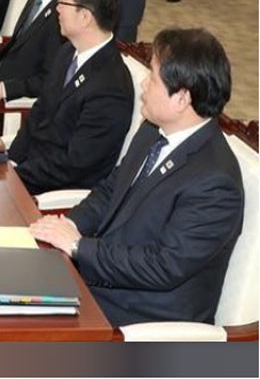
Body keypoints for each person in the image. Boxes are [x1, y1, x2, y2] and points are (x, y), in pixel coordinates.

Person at [30, 28, 243, 327]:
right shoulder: (153, 131)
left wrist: (80, 247)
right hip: (102, 283)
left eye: (153, 78)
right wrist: (69, 224)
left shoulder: (215, 182)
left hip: (142, 319)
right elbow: (110, 190)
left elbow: (162, 266)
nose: (143, 84)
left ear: (181, 98)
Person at [8, 0, 133, 195]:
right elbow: (40, 111)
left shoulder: (111, 86)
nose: (57, 8)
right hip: (29, 171)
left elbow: (74, 165)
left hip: (54, 192)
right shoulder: (67, 52)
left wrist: (16, 176)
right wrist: (11, 160)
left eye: (63, 2)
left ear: (85, 17)